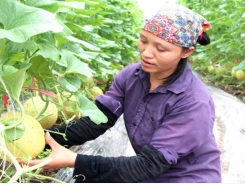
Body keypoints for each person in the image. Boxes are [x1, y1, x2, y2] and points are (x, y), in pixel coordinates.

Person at [21, 3, 221, 183]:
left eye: (161, 49)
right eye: (143, 40)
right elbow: (98, 119)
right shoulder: (132, 75)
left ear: (186, 52)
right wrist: (41, 140)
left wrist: (75, 160)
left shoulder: (194, 102)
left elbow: (148, 165)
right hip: (145, 173)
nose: (146, 53)